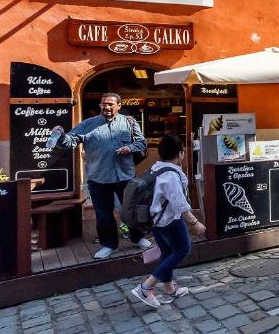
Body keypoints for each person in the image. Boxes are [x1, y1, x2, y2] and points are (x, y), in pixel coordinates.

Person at [55, 92, 152, 259]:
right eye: (103, 104)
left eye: (110, 104)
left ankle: (137, 238)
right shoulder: (88, 124)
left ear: (119, 106)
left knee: (131, 210)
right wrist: (60, 137)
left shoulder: (129, 122)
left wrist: (130, 148)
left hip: (124, 175)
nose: (106, 107)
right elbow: (70, 142)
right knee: (103, 213)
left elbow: (141, 142)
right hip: (98, 176)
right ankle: (109, 245)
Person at [131, 135, 206, 308]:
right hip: (169, 220)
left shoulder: (157, 168)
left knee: (166, 253)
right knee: (182, 249)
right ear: (180, 154)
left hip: (155, 220)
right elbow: (179, 202)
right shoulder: (170, 175)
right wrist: (194, 222)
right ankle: (145, 287)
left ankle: (170, 288)